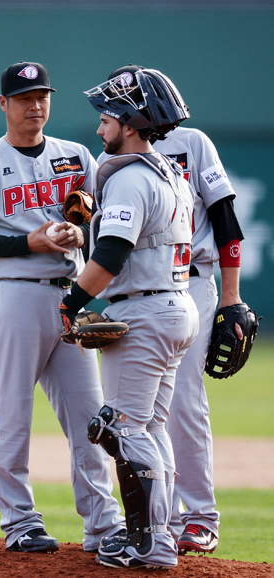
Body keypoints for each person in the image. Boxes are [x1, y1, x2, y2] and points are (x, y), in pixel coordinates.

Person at [0, 61, 125, 554]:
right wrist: (29, 241)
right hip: (15, 295)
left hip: (70, 296)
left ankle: (103, 524)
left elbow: (96, 210)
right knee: (12, 415)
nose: (35, 106)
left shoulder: (76, 156)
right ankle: (20, 521)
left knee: (91, 417)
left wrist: (78, 229)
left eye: (42, 96)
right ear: (4, 104)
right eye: (24, 98)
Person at [98, 65, 245, 556]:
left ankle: (198, 517)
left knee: (176, 402)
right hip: (151, 288)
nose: (103, 120)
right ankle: (164, 523)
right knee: (153, 416)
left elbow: (225, 219)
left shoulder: (191, 143)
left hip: (192, 279)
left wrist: (231, 296)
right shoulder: (118, 157)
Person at [59, 68, 199, 569]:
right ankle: (160, 534)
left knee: (120, 427)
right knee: (149, 427)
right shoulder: (168, 172)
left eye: (107, 119)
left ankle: (150, 543)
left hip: (145, 310)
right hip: (174, 305)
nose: (100, 130)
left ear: (132, 123)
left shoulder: (132, 178)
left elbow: (112, 254)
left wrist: (72, 302)